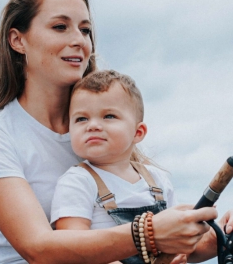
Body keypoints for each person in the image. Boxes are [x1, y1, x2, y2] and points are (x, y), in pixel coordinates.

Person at [0, 0, 232, 263]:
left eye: (85, 30)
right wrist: (149, 232)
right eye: (60, 26)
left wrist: (215, 237)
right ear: (18, 40)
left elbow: (161, 249)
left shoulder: (103, 135)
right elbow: (39, 249)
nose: (79, 40)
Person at [49, 69, 228, 264]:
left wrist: (215, 237)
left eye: (108, 116)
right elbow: (72, 251)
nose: (92, 125)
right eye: (81, 119)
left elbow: (183, 247)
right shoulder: (77, 181)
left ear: (138, 132)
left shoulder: (157, 180)